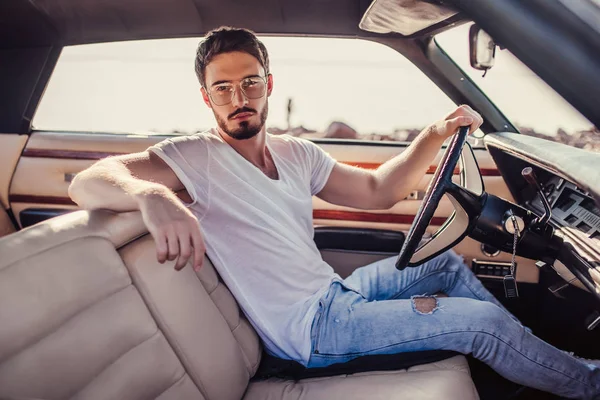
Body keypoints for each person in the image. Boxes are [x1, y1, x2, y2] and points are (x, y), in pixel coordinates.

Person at [68, 26, 599, 399]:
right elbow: (90, 180)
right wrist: (154, 196)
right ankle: (585, 382)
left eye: (250, 82)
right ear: (207, 98)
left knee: (447, 266)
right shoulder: (195, 157)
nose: (239, 97)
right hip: (311, 331)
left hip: (333, 293)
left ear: (269, 85)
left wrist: (433, 136)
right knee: (480, 322)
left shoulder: (296, 153)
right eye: (223, 88)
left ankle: (516, 362)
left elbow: (376, 190)